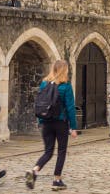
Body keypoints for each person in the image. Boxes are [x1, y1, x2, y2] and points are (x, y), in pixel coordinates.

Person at [25, 60, 78, 191]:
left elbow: (40, 103)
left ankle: (35, 170)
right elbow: (70, 107)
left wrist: (40, 121)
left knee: (48, 151)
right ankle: (57, 180)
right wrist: (73, 127)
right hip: (60, 123)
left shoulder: (44, 84)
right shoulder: (65, 86)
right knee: (61, 151)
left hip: (46, 122)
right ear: (64, 70)